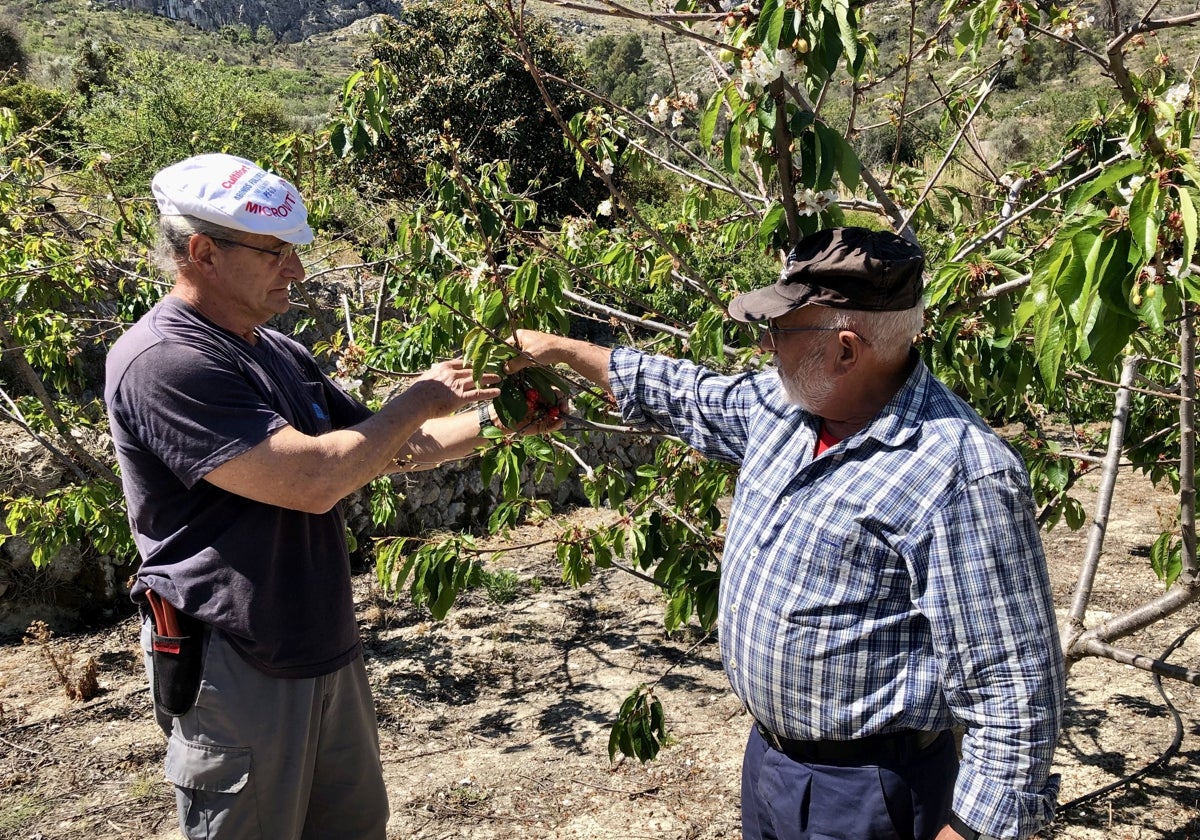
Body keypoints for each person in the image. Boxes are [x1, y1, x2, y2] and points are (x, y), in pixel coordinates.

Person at [510, 227, 1065, 840]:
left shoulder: (959, 472)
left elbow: (1015, 696)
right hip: (773, 768)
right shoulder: (786, 407)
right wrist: (557, 350)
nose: (768, 346)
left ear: (847, 349)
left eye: (782, 329)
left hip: (869, 794)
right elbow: (683, 393)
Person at [104, 152, 544, 840]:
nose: (298, 271)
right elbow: (312, 481)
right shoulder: (166, 360)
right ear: (202, 252)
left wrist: (498, 420)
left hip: (320, 642)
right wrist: (420, 398)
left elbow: (388, 449)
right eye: (277, 251)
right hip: (237, 657)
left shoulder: (278, 352)